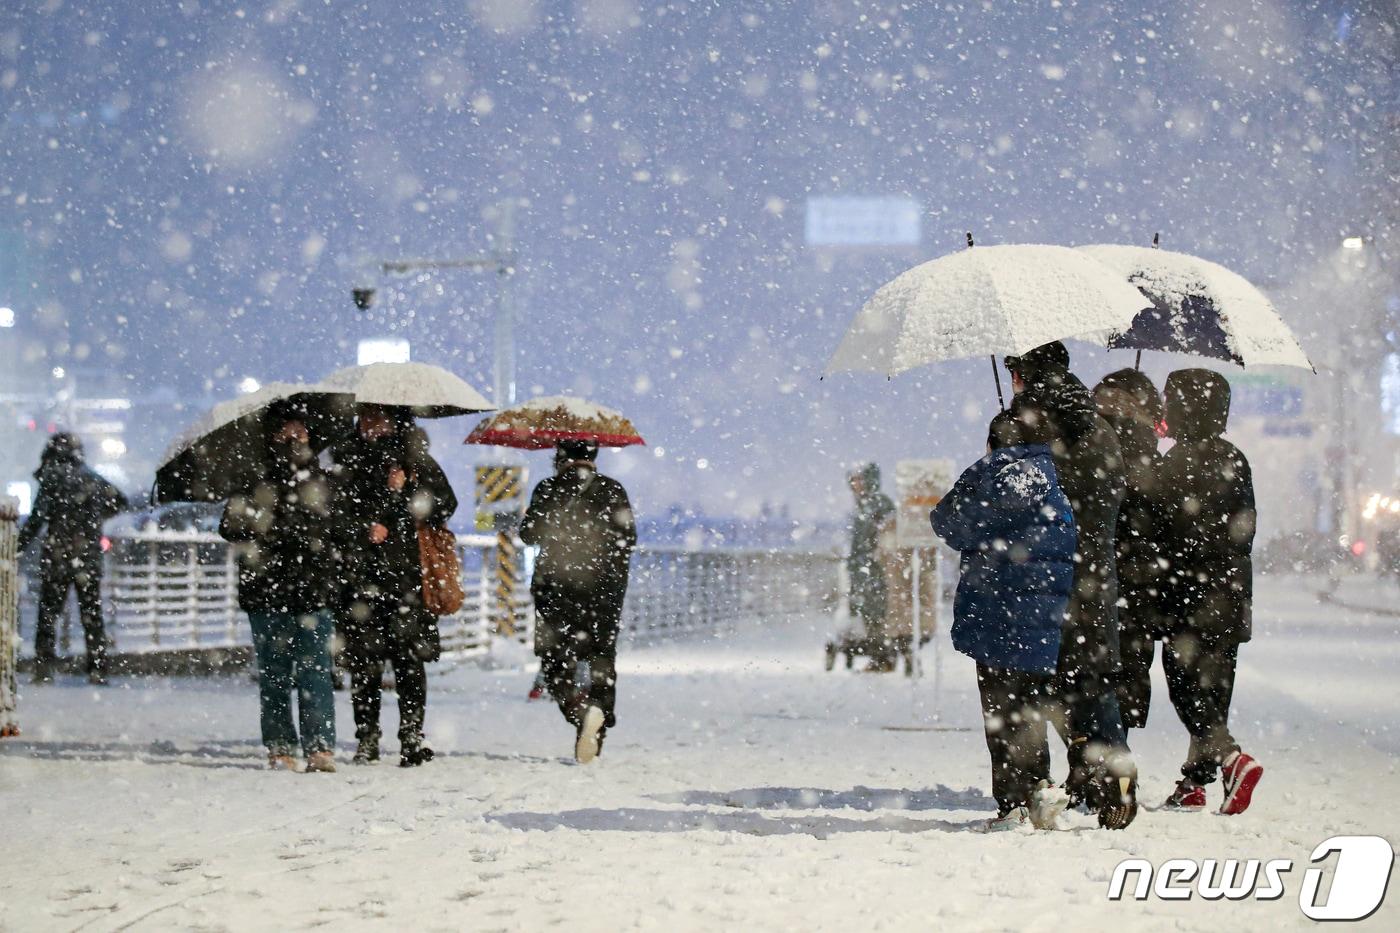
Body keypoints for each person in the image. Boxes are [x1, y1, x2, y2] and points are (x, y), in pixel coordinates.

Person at [1003, 341, 1137, 829]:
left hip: (1035, 577)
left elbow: (1003, 505)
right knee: (1093, 684)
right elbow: (1112, 502)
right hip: (1094, 578)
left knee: (1031, 688)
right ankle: (1115, 768)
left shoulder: (1016, 427)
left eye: (1014, 368)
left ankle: (1039, 791)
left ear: (1023, 373)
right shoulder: (1102, 430)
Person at [932, 411, 1078, 831]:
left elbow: (948, 524)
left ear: (995, 443)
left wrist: (979, 471)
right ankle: (1041, 790)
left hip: (998, 616)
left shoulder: (993, 481)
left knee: (1002, 712)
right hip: (1043, 620)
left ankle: (1013, 804)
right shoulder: (1053, 486)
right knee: (1031, 708)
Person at [1155, 369, 1263, 814]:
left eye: (1169, 400)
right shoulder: (1234, 457)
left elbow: (1164, 531)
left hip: (1190, 595)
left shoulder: (1177, 462)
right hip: (1231, 595)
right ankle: (1194, 784)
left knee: (1185, 685)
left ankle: (1230, 758)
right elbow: (1244, 529)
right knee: (1215, 685)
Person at [333, 406, 457, 767]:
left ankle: (411, 735)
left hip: (407, 578)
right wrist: (364, 529)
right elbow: (333, 514)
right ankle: (367, 737)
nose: (370, 425)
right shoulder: (348, 461)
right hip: (361, 578)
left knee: (408, 661)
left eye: (378, 418)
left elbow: (445, 505)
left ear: (395, 421)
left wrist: (408, 490)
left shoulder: (417, 462)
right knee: (364, 662)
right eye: (365, 417)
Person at [218, 406, 338, 772]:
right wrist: (259, 521)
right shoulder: (255, 480)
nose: (294, 440)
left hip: (311, 589)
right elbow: (229, 527)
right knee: (274, 674)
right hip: (267, 590)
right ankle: (280, 747)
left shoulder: (322, 481)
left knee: (315, 671)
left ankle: (319, 747)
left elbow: (338, 528)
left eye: (300, 433)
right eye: (286, 433)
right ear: (272, 437)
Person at [519, 440, 636, 763]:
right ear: (593, 457)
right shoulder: (613, 490)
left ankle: (578, 710)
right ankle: (598, 711)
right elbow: (628, 539)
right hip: (603, 593)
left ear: (560, 457)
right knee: (601, 657)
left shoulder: (548, 488)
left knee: (556, 662)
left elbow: (528, 535)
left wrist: (535, 517)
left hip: (556, 591)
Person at [17, 433, 128, 684]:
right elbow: (121, 500)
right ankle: (97, 668)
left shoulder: (53, 478)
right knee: (91, 614)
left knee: (49, 613)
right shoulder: (92, 477)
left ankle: (44, 668)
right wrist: (95, 517)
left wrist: (17, 547)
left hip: (58, 556)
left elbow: (36, 519)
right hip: (87, 556)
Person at [1092, 369, 1165, 733]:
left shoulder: (1089, 448)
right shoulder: (1153, 461)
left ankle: (1104, 768)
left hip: (1093, 579)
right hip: (1142, 584)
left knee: (1090, 680)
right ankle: (1117, 766)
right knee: (1128, 670)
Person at [846, 463, 896, 671]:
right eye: (853, 480)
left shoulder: (879, 504)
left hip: (875, 569)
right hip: (863, 568)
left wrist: (873, 556)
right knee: (867, 612)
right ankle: (879, 657)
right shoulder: (864, 504)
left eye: (860, 479)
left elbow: (887, 535)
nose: (856, 484)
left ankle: (881, 658)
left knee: (877, 612)